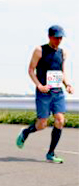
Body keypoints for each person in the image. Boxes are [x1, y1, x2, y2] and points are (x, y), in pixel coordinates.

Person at [16, 25, 74, 163]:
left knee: (60, 120)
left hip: (58, 92)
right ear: (49, 36)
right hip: (44, 93)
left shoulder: (63, 53)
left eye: (61, 38)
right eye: (56, 37)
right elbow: (30, 70)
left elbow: (61, 72)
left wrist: (68, 85)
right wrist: (39, 85)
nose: (59, 40)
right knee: (42, 124)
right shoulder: (39, 50)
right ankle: (25, 132)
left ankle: (51, 153)